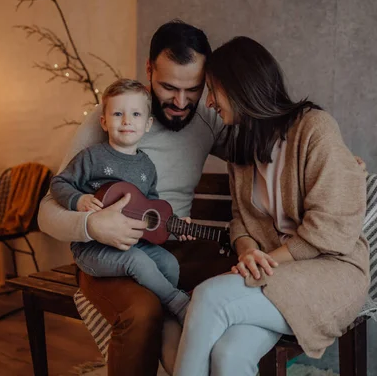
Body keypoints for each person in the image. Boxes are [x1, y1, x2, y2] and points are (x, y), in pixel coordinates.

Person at [37, 20, 237, 376]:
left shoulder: (207, 118)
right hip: (108, 255)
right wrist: (92, 225)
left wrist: (333, 161)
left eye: (192, 89)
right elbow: (47, 210)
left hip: (169, 245)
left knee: (239, 286)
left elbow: (259, 146)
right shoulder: (114, 118)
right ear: (148, 70)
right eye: (168, 87)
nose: (180, 102)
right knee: (143, 313)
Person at [173, 36, 370, 376]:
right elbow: (240, 221)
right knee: (228, 354)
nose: (208, 102)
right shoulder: (243, 147)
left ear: (241, 87)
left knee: (208, 298)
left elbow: (333, 228)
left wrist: (260, 263)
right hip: (274, 276)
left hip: (331, 273)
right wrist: (248, 250)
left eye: (213, 90)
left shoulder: (314, 128)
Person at [49, 78, 191, 325]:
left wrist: (172, 225)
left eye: (135, 114)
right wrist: (79, 200)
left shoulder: (146, 165)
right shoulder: (91, 157)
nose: (126, 121)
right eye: (117, 113)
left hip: (134, 243)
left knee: (169, 263)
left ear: (147, 125)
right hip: (93, 249)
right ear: (104, 121)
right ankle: (179, 304)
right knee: (136, 261)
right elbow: (58, 184)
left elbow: (151, 208)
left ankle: (163, 317)